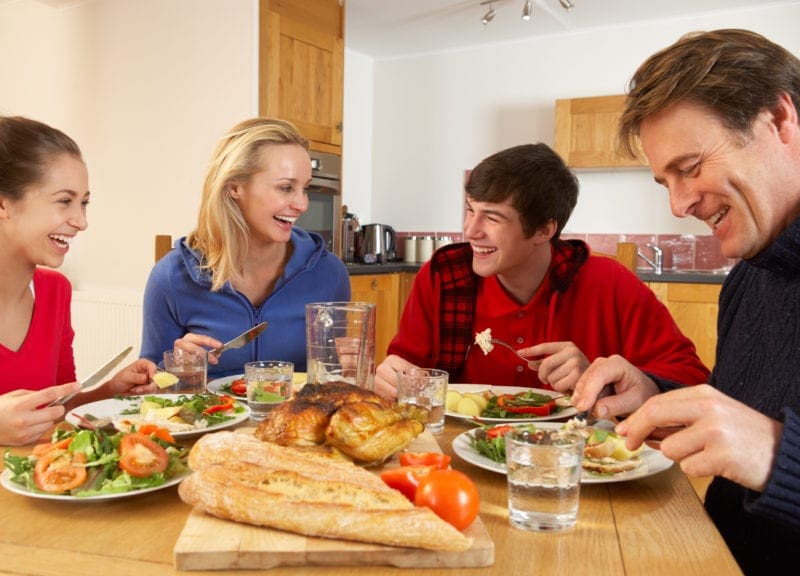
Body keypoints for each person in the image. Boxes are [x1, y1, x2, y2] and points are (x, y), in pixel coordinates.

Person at [569, 29, 800, 574]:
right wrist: (656, 395)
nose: (678, 204)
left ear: (779, 120)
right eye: (664, 181)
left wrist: (776, 455)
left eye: (691, 166)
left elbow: (759, 441)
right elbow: (737, 413)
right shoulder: (751, 275)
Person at [374, 142, 709, 399]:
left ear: (544, 231)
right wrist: (393, 376)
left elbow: (691, 380)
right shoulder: (442, 277)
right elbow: (406, 366)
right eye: (470, 210)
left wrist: (602, 381)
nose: (470, 230)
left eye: (492, 217)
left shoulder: (610, 284)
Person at [0, 113, 159, 464]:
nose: (81, 222)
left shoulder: (55, 291)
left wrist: (108, 390)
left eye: (83, 202)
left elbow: (55, 406)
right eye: (64, 201)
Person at [141, 118, 350, 378]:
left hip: (297, 418)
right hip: (209, 418)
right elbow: (151, 386)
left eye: (305, 189)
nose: (302, 204)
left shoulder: (329, 273)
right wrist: (174, 368)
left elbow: (332, 378)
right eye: (286, 187)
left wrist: (350, 369)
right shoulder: (171, 277)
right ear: (234, 187)